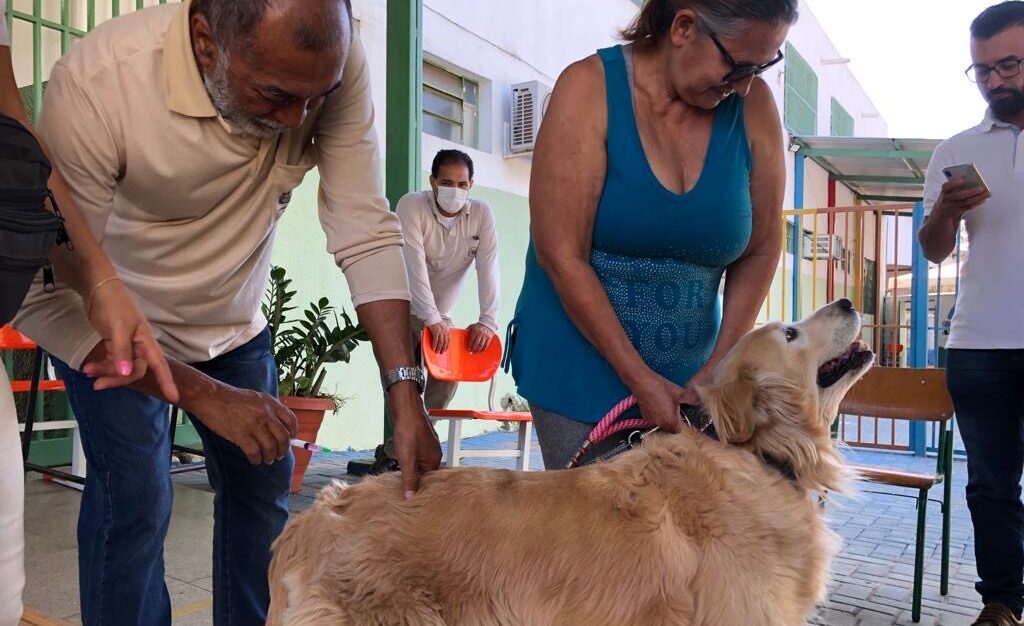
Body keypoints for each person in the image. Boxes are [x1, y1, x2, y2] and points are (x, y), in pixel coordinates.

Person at [12, 0, 442, 624]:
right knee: (135, 497)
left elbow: (364, 227)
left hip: (236, 326)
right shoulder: (103, 82)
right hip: (113, 329)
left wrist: (405, 394)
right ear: (205, 41)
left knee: (260, 499)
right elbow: (48, 292)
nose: (298, 118)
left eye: (313, 99)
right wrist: (203, 394)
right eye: (273, 94)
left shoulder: (326, 68)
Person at [506, 0, 790, 469]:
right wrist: (638, 378)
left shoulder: (753, 105)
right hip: (579, 360)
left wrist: (718, 367)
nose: (742, 86)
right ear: (683, 27)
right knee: (605, 532)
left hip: (694, 372)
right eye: (737, 65)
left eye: (761, 67)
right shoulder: (587, 89)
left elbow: (760, 248)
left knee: (684, 530)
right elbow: (562, 254)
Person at [0, 0, 178, 622]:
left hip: (122, 310)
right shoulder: (102, 75)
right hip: (75, 307)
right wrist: (99, 283)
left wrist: (101, 281)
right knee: (135, 488)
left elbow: (11, 131)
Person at [918, 3, 1024, 624]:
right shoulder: (955, 150)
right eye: (981, 70)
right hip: (978, 345)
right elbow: (933, 252)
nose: (994, 81)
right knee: (990, 485)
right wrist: (947, 213)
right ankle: (1002, 604)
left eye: (1008, 64)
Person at [397, 149, 499, 406]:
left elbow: (489, 268)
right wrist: (431, 319)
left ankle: (424, 438)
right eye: (446, 183)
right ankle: (404, 444)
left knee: (447, 378)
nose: (455, 190)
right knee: (402, 382)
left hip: (440, 314)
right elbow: (414, 266)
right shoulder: (411, 205)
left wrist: (488, 321)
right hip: (401, 306)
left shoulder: (481, 214)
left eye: (462, 184)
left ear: (471, 185)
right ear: (432, 181)